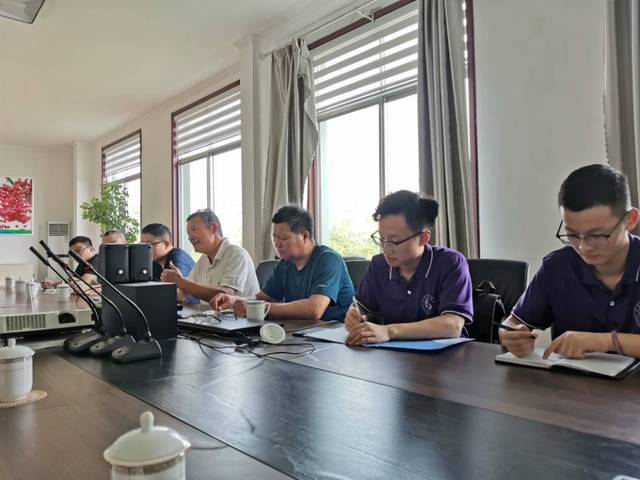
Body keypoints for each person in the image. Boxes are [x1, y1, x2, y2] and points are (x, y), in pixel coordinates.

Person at [500, 164, 640, 359]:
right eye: (572, 235)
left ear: (630, 219)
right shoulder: (557, 267)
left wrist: (605, 341)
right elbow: (512, 323)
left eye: (597, 235)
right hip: (570, 377)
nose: (583, 247)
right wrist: (510, 335)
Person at [344, 191, 472, 345]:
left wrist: (389, 331)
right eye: (382, 239)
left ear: (423, 237)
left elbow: (453, 326)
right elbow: (362, 308)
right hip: (391, 354)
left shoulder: (451, 263)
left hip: (447, 356)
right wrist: (355, 317)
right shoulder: (379, 265)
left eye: (394, 241)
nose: (386, 249)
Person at [211, 205, 354, 321]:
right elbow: (260, 298)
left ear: (304, 236)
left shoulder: (328, 260)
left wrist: (262, 308)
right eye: (275, 238)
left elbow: (314, 309)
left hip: (333, 334)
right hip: (299, 331)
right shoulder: (285, 264)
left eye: (284, 238)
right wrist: (235, 300)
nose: (277, 244)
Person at [160, 209, 259, 303]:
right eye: (188, 234)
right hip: (209, 315)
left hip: (238, 315)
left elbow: (225, 296)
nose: (190, 238)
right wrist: (164, 287)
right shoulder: (203, 260)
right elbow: (182, 295)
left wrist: (181, 282)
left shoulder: (236, 254)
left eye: (194, 229)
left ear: (213, 228)